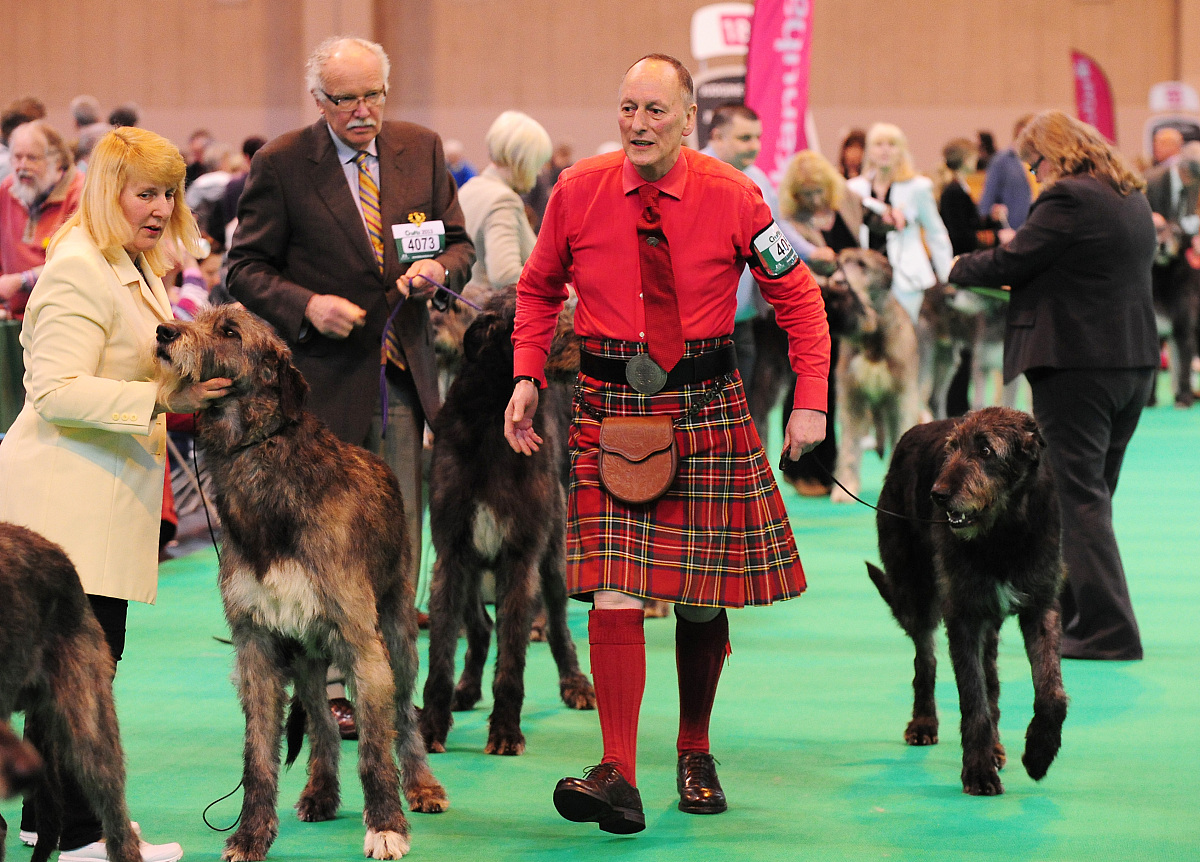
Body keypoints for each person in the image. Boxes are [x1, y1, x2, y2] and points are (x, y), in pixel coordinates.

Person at [503, 53, 829, 834]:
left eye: (655, 111)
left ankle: (694, 747)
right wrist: (523, 373)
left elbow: (801, 297)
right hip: (608, 405)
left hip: (706, 405)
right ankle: (617, 770)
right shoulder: (577, 189)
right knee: (612, 585)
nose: (639, 124)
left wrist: (811, 402)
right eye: (627, 109)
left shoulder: (736, 195)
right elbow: (540, 286)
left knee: (698, 595)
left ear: (689, 119)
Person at [226, 36, 474, 734]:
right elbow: (243, 269)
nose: (363, 110)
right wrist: (307, 305)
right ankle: (332, 690)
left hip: (403, 379)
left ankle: (394, 688)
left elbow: (458, 242)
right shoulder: (280, 164)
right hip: (321, 390)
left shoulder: (420, 149)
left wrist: (441, 273)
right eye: (346, 99)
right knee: (327, 548)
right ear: (319, 101)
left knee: (397, 543)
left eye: (374, 95)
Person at [0, 125, 232, 862]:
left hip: (99, 499)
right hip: (64, 505)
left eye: (169, 192)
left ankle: (55, 824)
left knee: (72, 673)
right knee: (75, 675)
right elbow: (55, 390)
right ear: (110, 192)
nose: (162, 207)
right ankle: (77, 837)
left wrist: (185, 387)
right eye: (146, 192)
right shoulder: (77, 268)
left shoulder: (129, 263)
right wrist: (161, 402)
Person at [948, 110, 1157, 661]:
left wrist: (960, 266)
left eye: (1035, 163)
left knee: (1075, 495)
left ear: (1055, 152)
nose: (1035, 175)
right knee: (1091, 496)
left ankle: (1110, 629)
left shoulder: (1068, 198)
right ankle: (1076, 617)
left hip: (1077, 365)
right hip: (1131, 364)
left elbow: (1015, 258)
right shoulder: (1128, 193)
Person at [701, 102, 823, 391]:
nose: (755, 145)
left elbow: (777, 231)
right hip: (700, 327)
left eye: (758, 137)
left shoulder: (758, 179)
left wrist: (811, 252)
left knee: (746, 407)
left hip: (743, 320)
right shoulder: (692, 178)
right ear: (717, 137)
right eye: (745, 138)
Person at [774, 149, 864, 496]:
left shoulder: (849, 205)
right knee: (808, 384)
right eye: (806, 194)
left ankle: (834, 467)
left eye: (818, 191)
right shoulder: (790, 222)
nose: (813, 199)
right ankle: (802, 470)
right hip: (810, 311)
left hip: (847, 315)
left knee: (837, 389)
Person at [847, 122, 953, 324]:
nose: (885, 149)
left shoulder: (918, 187)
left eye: (892, 144)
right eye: (879, 144)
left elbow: (935, 232)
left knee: (904, 340)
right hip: (864, 278)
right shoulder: (853, 189)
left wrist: (946, 275)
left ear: (901, 150)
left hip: (906, 279)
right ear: (869, 150)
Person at [457, 111, 551, 292]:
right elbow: (505, 275)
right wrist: (563, 293)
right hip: (491, 311)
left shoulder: (469, 189)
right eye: (537, 164)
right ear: (522, 162)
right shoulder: (503, 200)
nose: (538, 173)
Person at [0, 121, 86, 318]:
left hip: (62, 314)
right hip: (14, 316)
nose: (22, 166)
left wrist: (21, 281)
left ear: (56, 161)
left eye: (32, 158)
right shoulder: (7, 189)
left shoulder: (80, 194)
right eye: (17, 157)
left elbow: (78, 261)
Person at [1144, 140, 1200, 408]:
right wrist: (1151, 221)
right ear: (1184, 169)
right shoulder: (1151, 183)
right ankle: (1149, 394)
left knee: (1184, 331)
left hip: (1181, 272)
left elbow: (1191, 222)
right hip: (1152, 271)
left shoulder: (1195, 185)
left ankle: (1184, 392)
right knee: (1151, 335)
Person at [977, 114, 1035, 232]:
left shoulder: (1042, 161)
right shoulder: (1001, 160)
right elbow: (987, 198)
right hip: (1012, 229)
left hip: (1036, 229)